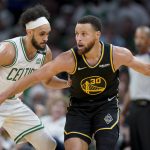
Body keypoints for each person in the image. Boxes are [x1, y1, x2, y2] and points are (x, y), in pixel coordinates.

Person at [0, 15, 150, 150]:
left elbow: (146, 69)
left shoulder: (116, 54)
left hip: (106, 106)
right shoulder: (68, 59)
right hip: (80, 108)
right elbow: (35, 76)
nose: (78, 38)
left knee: (106, 145)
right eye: (77, 34)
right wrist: (5, 94)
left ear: (97, 35)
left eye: (84, 34)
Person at [0, 4, 71, 150]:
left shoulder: (46, 53)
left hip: (12, 103)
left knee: (48, 144)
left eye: (48, 34)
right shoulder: (9, 50)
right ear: (30, 32)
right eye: (42, 34)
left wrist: (68, 83)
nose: (46, 38)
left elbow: (48, 81)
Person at [120, 26, 150, 150]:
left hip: (147, 107)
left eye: (142, 38)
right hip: (134, 108)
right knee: (135, 146)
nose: (138, 41)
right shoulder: (133, 61)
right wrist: (123, 113)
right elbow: (131, 90)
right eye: (137, 37)